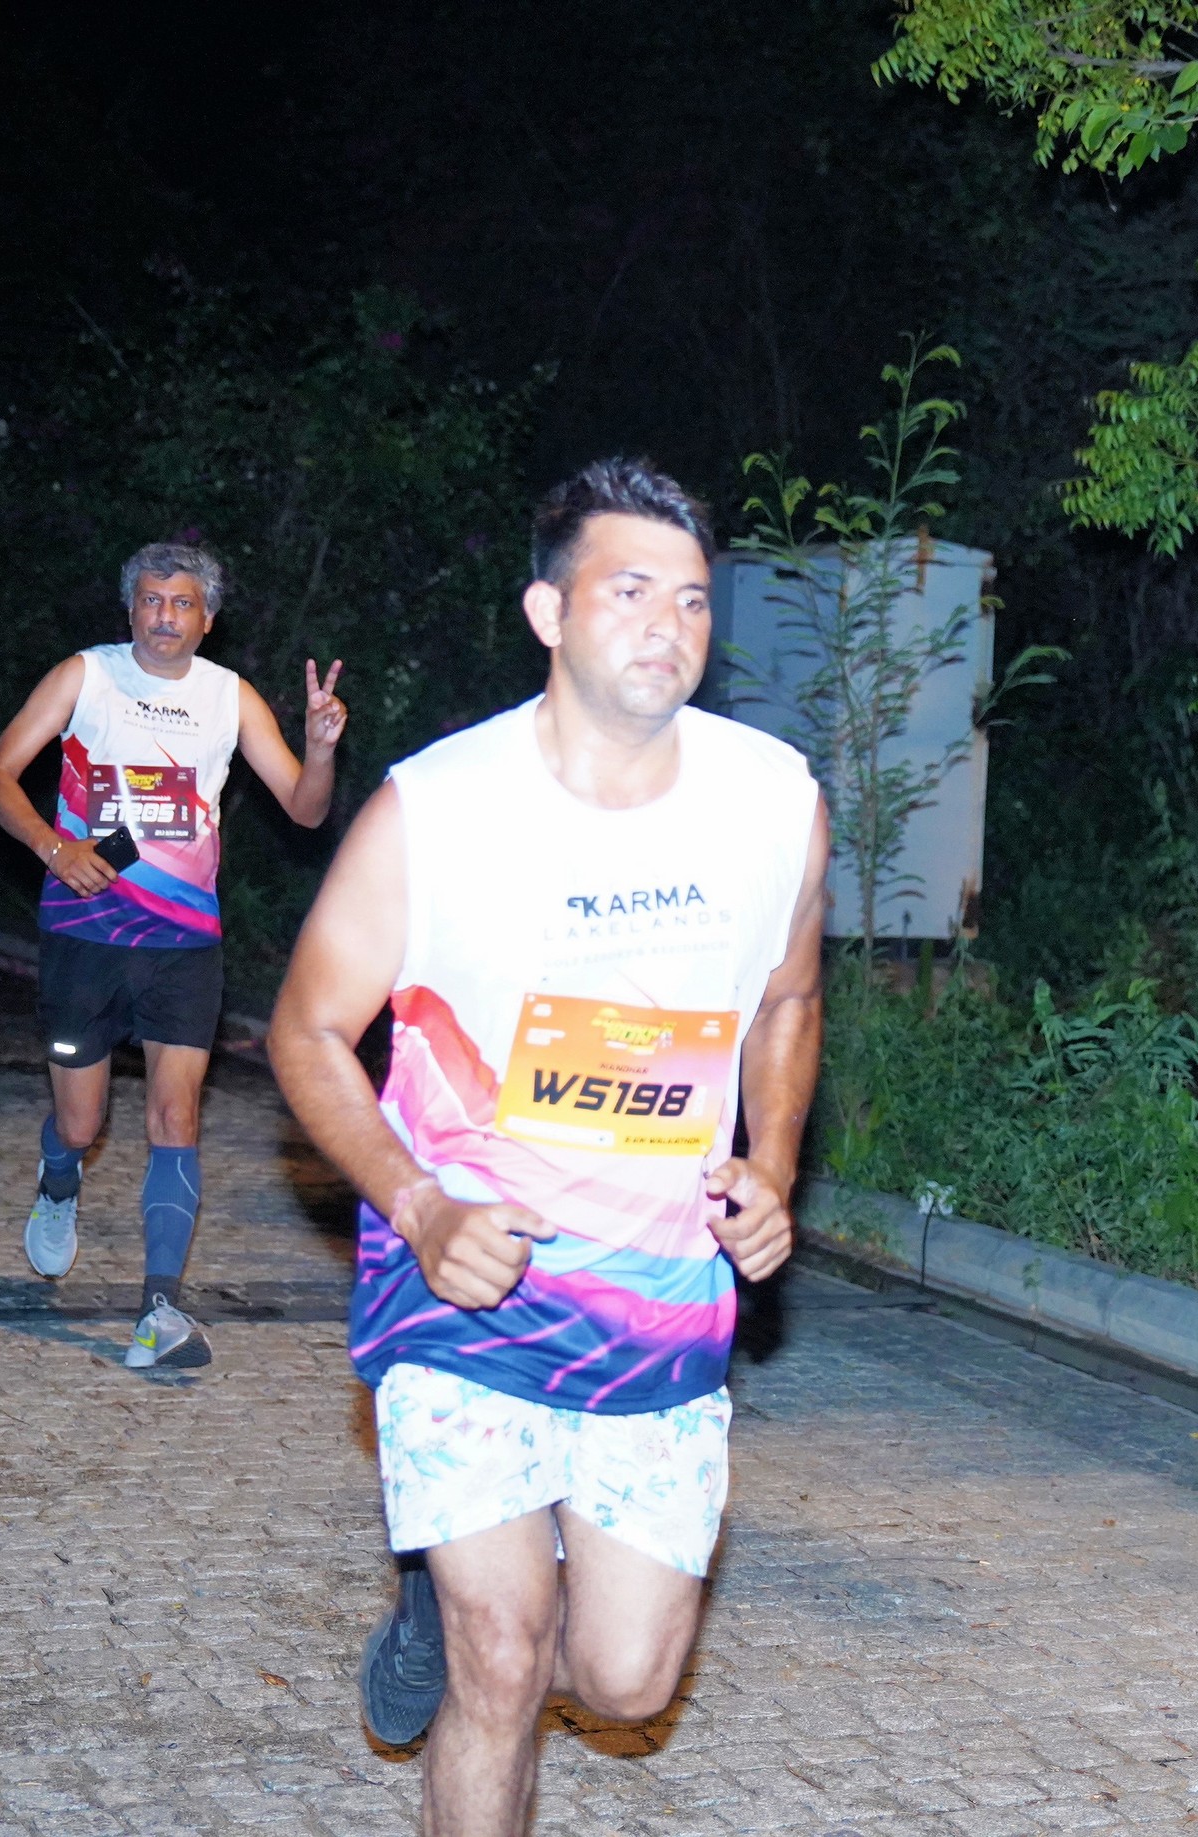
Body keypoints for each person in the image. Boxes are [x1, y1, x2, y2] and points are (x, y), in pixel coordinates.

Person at [269, 457, 825, 1834]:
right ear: (546, 612)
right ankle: (463, 1617)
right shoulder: (439, 807)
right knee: (503, 1657)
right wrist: (417, 1205)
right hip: (468, 1289)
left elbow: (788, 1002)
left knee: (626, 1680)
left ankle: (440, 1611)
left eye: (690, 599)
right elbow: (306, 1029)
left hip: (658, 1299)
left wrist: (773, 1166)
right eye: (628, 591)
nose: (667, 625)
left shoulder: (773, 799)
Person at [0, 542, 347, 1369]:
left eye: (182, 604)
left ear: (207, 619)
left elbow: (304, 808)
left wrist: (320, 750)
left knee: (175, 1117)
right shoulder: (86, 676)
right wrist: (52, 845)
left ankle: (160, 1310)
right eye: (151, 600)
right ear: (131, 608)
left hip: (183, 941)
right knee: (82, 1121)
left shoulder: (229, 696)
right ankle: (59, 1176)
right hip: (84, 931)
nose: (164, 616)